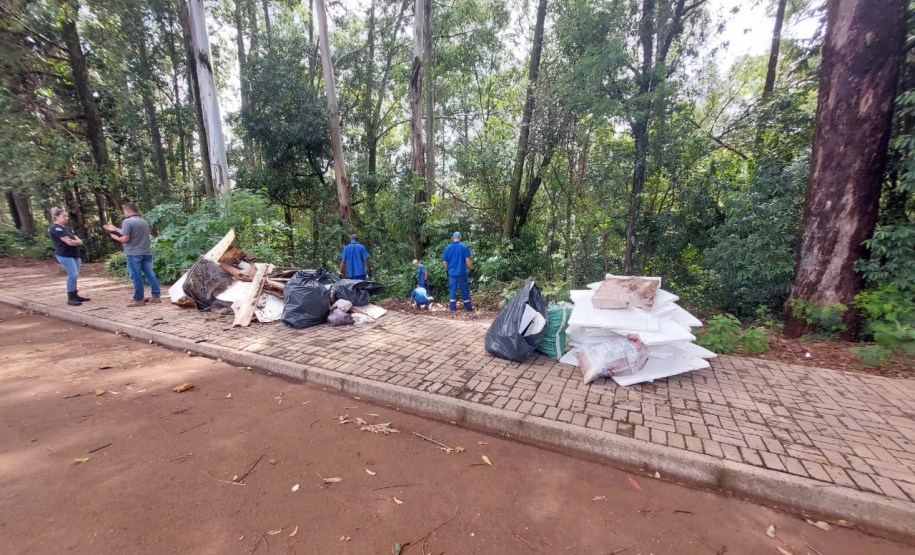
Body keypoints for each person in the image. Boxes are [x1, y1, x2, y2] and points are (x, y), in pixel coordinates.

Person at [103, 202, 161, 307]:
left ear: (128, 211)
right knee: (150, 274)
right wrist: (115, 229)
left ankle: (139, 299)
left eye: (124, 211)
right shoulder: (143, 221)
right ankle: (156, 296)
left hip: (134, 253)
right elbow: (131, 232)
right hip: (146, 252)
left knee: (136, 275)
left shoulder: (127, 221)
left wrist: (117, 238)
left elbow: (125, 238)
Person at [48, 208, 89, 306]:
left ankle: (75, 294)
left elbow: (80, 241)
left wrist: (76, 242)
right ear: (56, 217)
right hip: (65, 254)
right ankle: (70, 297)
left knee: (75, 275)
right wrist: (75, 242)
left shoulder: (67, 229)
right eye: (64, 216)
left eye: (67, 216)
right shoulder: (55, 228)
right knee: (73, 275)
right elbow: (69, 242)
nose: (66, 218)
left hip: (75, 254)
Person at [442, 231, 473, 311]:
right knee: (464, 289)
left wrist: (446, 270)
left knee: (452, 290)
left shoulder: (447, 248)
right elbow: (467, 260)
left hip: (452, 273)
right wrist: (472, 269)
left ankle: (452, 307)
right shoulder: (464, 247)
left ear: (453, 238)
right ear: (460, 238)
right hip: (462, 272)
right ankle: (468, 307)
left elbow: (445, 262)